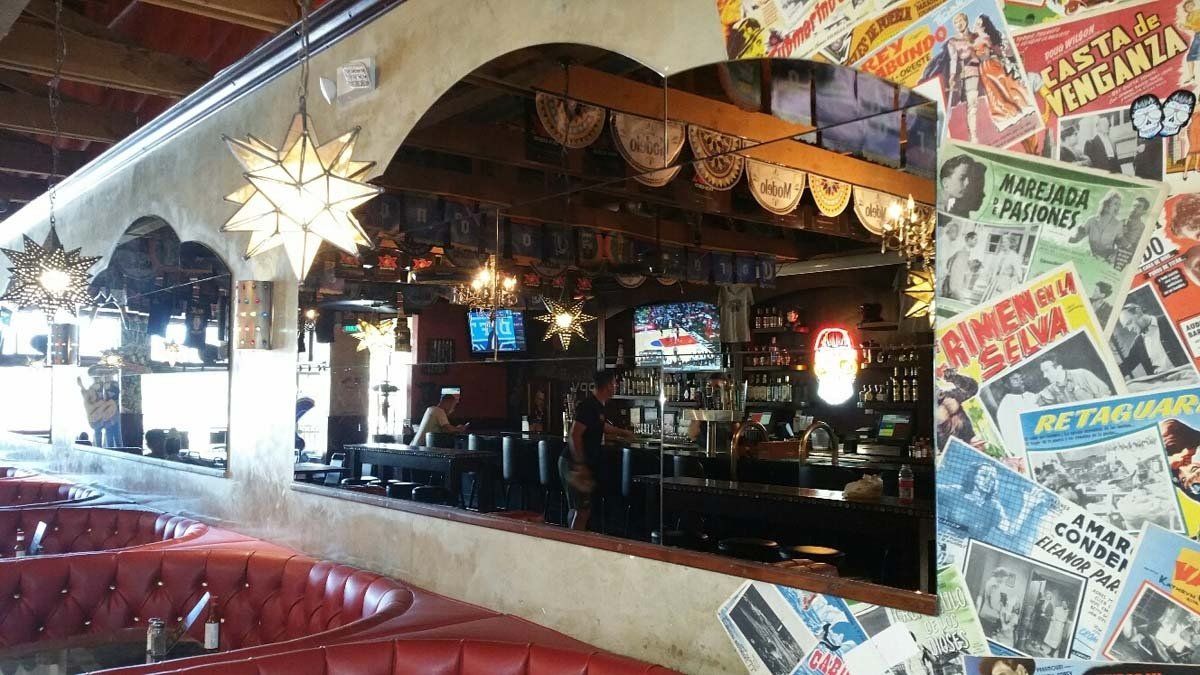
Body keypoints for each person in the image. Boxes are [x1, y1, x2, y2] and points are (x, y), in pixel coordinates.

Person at [561, 371, 635, 530]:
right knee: (582, 510)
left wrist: (623, 432)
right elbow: (574, 435)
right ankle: (573, 541)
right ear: (608, 386)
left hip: (575, 462)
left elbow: (601, 425)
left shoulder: (597, 406)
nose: (616, 386)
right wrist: (580, 464)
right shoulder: (589, 406)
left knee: (579, 509)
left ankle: (572, 538)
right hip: (572, 463)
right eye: (614, 383)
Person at [972, 15, 1033, 131]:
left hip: (990, 65)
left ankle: (1012, 110)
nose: (976, 26)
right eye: (976, 23)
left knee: (1000, 88)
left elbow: (988, 54)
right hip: (985, 67)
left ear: (984, 27)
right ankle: (1009, 112)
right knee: (995, 90)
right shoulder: (978, 39)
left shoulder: (985, 37)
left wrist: (980, 54)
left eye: (979, 24)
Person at [946, 12, 982, 142]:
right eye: (955, 23)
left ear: (966, 21)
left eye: (960, 21)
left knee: (972, 104)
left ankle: (974, 136)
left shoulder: (976, 36)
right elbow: (953, 60)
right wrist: (952, 76)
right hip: (963, 75)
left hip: (977, 71)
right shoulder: (953, 42)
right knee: (967, 105)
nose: (958, 24)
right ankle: (971, 136)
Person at [1068, 191, 1123, 262]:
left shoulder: (1118, 225)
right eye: (1115, 204)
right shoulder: (1091, 221)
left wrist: (1114, 256)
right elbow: (1076, 240)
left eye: (1119, 205)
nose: (1117, 207)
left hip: (1107, 261)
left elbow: (1121, 247)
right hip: (1092, 258)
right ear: (1106, 204)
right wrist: (1077, 233)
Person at [1036, 356, 1113, 405]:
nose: (1045, 375)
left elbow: (1105, 395)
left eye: (1047, 371)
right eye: (1043, 372)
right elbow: (1037, 401)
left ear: (1059, 368)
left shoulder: (1082, 374)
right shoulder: (1051, 389)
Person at [936, 367, 980, 451]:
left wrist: (937, 421)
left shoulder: (944, 443)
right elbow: (972, 388)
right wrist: (953, 377)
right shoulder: (967, 431)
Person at [995, 372, 1039, 454]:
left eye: (1021, 378)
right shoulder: (1005, 405)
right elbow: (1009, 434)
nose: (1020, 381)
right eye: (1015, 379)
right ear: (1007, 384)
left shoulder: (1031, 396)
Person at [987, 233, 1024, 297]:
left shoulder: (1014, 256)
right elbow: (994, 267)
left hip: (1006, 282)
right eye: (1002, 242)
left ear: (1010, 243)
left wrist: (1017, 282)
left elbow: (1018, 272)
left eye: (1005, 242)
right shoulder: (1000, 254)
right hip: (995, 281)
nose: (1002, 244)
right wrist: (991, 276)